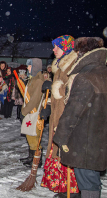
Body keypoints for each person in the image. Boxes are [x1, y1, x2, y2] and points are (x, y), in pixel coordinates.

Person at [53, 37, 107, 198]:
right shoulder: (102, 73)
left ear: (82, 53)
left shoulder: (85, 77)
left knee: (88, 182)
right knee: (92, 180)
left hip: (86, 141)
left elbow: (73, 111)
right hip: (99, 139)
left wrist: (61, 136)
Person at [39, 35, 80, 197]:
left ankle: (73, 190)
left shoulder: (73, 67)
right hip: (58, 115)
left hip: (68, 119)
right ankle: (63, 188)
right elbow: (57, 95)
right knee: (57, 152)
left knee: (67, 153)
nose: (53, 49)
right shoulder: (60, 67)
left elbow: (73, 93)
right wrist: (49, 106)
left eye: (57, 46)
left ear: (67, 47)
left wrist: (55, 87)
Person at [20, 58, 45, 168]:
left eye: (29, 66)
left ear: (35, 67)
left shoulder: (38, 81)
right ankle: (31, 157)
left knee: (34, 135)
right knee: (30, 134)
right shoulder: (32, 79)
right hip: (30, 111)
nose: (27, 68)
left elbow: (34, 99)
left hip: (34, 112)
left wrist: (24, 111)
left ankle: (37, 160)